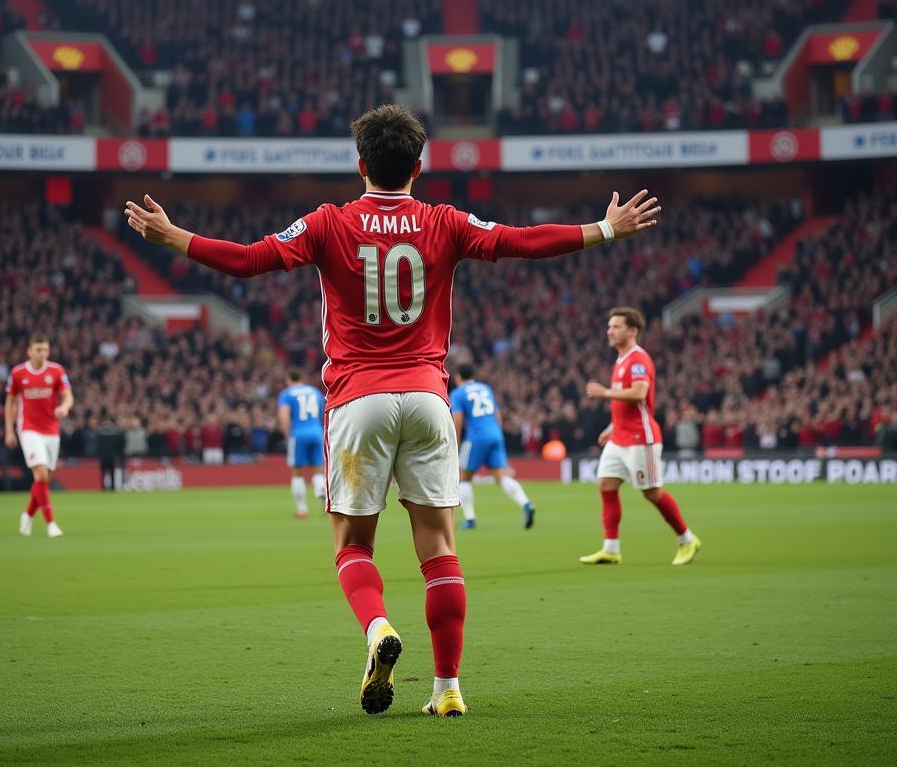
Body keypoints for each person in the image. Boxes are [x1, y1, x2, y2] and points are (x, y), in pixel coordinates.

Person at [125, 103, 660, 718]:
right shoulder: (444, 221)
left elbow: (249, 260)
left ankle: (377, 627)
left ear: (360, 165)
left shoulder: (329, 222)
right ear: (420, 165)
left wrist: (172, 236)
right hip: (430, 399)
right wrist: (605, 228)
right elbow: (520, 243)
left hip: (357, 400)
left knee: (353, 546)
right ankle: (448, 689)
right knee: (439, 547)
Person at [581, 307, 701, 567]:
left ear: (632, 331)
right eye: (609, 326)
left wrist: (604, 393)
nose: (609, 331)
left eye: (616, 327)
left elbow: (638, 393)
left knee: (652, 492)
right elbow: (628, 403)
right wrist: (612, 426)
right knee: (606, 485)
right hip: (620, 436)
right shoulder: (621, 359)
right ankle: (611, 549)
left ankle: (687, 539)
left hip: (640, 438)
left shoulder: (638, 359)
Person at [4, 334, 73, 538]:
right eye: (38, 350)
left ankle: (27, 514)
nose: (42, 354)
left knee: (44, 480)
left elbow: (68, 395)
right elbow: (10, 402)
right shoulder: (18, 373)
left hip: (52, 430)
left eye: (45, 350)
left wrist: (65, 407)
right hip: (29, 429)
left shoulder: (57, 370)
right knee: (41, 474)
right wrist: (9, 430)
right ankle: (51, 524)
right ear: (29, 351)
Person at [450, 364, 534, 530]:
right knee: (501, 476)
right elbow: (497, 413)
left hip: (476, 437)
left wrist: (456, 443)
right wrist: (497, 433)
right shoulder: (485, 388)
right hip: (495, 433)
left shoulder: (458, 393)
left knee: (464, 477)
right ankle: (526, 503)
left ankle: (470, 519)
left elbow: (458, 419)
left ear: (458, 377)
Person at [277, 367, 326, 518]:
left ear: (288, 379)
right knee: (318, 469)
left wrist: (286, 433)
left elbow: (284, 415)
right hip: (317, 432)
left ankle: (302, 509)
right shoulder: (314, 392)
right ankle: (323, 497)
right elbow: (325, 411)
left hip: (298, 434)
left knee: (297, 472)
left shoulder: (286, 394)